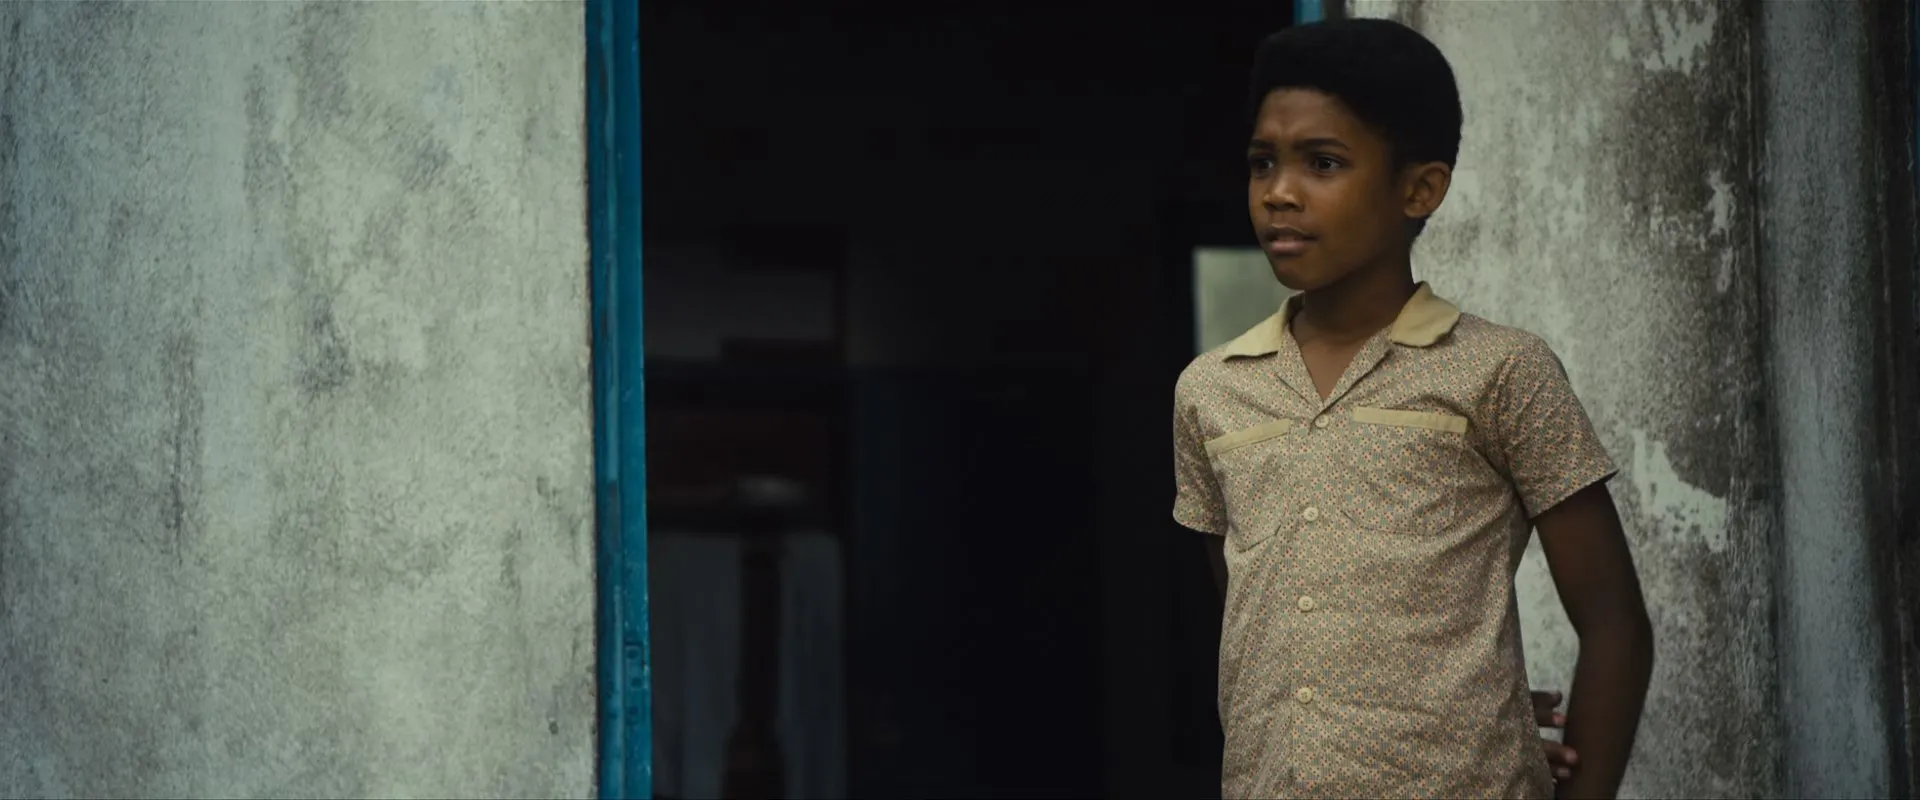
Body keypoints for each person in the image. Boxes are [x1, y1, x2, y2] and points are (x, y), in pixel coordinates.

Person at [1171, 18, 1655, 799]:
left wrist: (1500, 737)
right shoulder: (1211, 390)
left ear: (1419, 189)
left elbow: (1615, 625)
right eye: (1263, 162)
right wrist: (1419, 708)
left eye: (1323, 162)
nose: (1279, 192)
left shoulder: (1501, 370)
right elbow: (1257, 628)